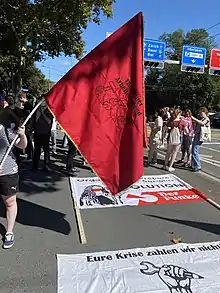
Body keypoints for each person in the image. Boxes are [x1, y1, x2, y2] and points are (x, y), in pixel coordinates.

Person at [0, 124, 27, 248]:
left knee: (10, 202)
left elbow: (22, 145)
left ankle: (9, 232)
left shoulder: (5, 129)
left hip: (7, 173)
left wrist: (22, 134)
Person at [32, 99, 53, 171]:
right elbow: (33, 118)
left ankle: (46, 165)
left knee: (46, 150)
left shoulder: (49, 110)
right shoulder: (36, 108)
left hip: (45, 132)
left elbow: (49, 121)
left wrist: (42, 113)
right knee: (37, 150)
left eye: (43, 101)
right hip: (37, 132)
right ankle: (35, 166)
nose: (42, 102)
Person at [191, 107, 210, 172]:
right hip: (197, 135)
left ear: (205, 113)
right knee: (194, 150)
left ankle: (197, 165)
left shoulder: (206, 119)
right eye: (199, 113)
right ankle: (193, 164)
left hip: (200, 136)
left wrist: (194, 118)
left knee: (194, 150)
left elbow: (202, 123)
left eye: (201, 113)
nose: (200, 114)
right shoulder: (201, 118)